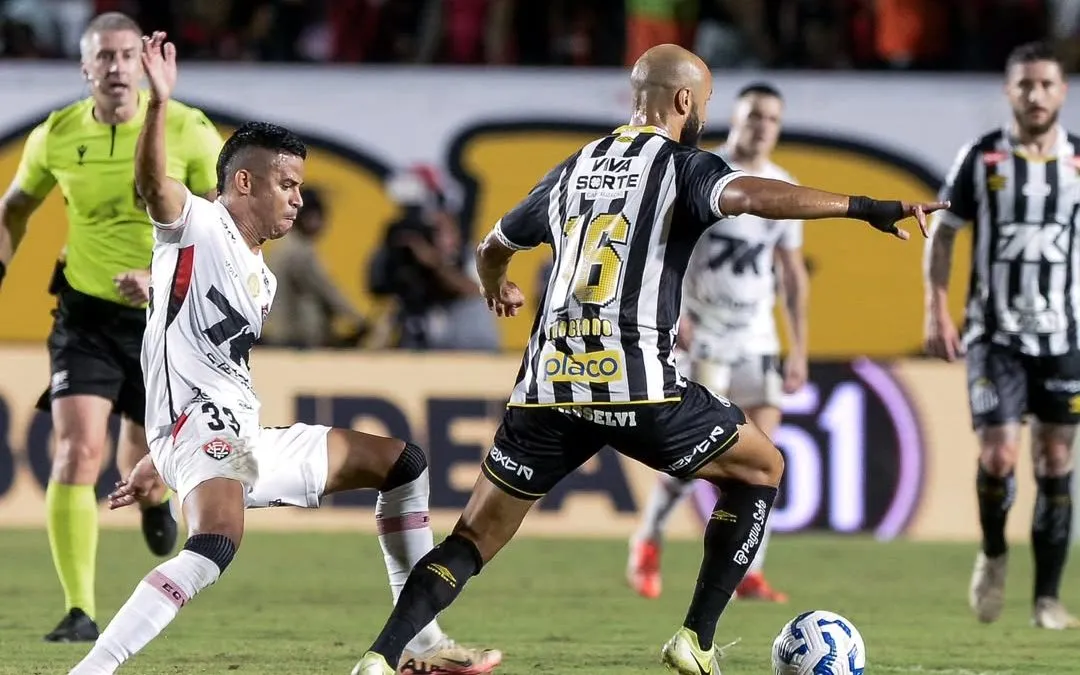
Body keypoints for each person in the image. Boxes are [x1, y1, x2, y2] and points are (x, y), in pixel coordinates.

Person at [351, 43, 945, 675]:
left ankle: (381, 658)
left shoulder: (573, 168)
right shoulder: (682, 166)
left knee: (469, 540)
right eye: (706, 100)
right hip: (637, 385)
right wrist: (864, 207)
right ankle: (696, 639)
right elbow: (750, 198)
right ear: (684, 100)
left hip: (547, 388)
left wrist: (495, 283)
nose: (705, 112)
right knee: (762, 467)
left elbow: (493, 243)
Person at [66, 33, 502, 675]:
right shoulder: (201, 221)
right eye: (286, 184)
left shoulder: (261, 276)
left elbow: (187, 324)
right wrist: (160, 104)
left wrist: (168, 456)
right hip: (202, 426)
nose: (298, 198)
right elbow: (154, 188)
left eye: (299, 186)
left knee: (402, 464)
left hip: (237, 433)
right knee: (214, 543)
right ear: (243, 182)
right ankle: (91, 670)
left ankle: (423, 644)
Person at [0, 11, 223, 643]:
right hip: (87, 315)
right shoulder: (56, 134)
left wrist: (166, 276)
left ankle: (153, 501)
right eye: (105, 57)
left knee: (136, 457)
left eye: (128, 55)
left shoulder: (188, 130)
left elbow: (226, 225)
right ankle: (79, 610)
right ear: (85, 67)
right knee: (76, 450)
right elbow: (14, 208)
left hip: (166, 316)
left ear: (144, 62)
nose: (118, 67)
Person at [627, 81, 807, 604]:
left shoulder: (782, 183)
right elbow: (664, 248)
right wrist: (674, 312)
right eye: (752, 116)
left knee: (763, 460)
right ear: (736, 118)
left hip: (759, 337)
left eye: (770, 118)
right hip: (706, 335)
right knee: (695, 459)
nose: (760, 126)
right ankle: (649, 537)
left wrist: (798, 346)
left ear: (778, 125)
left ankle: (748, 570)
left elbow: (793, 275)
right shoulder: (704, 172)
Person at [924, 40, 1080, 630]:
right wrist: (936, 310)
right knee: (999, 455)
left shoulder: (1078, 163)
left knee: (1056, 458)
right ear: (1008, 91)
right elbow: (944, 235)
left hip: (1063, 334)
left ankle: (1047, 599)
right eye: (1025, 85)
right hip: (994, 333)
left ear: (1062, 91)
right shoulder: (983, 157)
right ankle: (993, 554)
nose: (1035, 94)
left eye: (1045, 84)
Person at [260, 186, 369, 349]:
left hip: (272, 332)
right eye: (311, 218)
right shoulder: (300, 251)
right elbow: (327, 291)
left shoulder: (283, 244)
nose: (317, 224)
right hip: (291, 337)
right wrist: (360, 320)